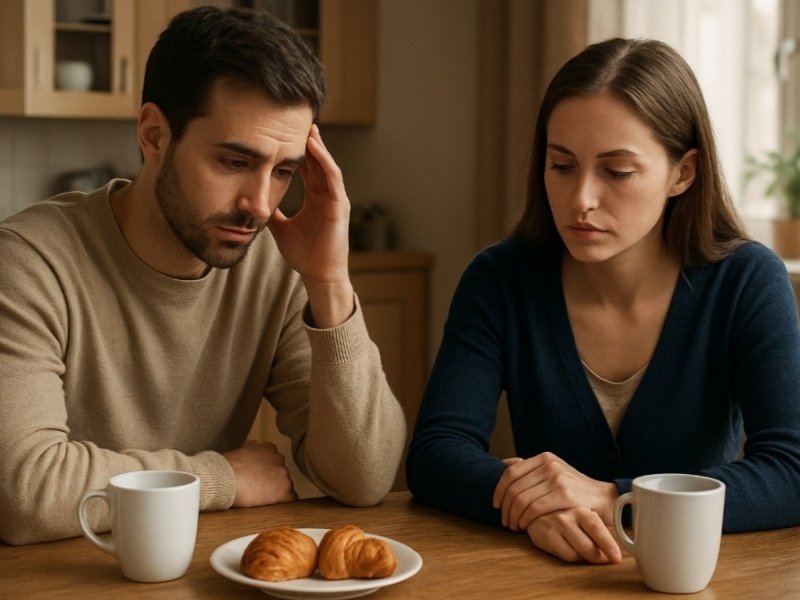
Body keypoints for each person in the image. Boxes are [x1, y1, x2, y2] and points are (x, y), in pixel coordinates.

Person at [0, 6, 406, 545]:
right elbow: (26, 493)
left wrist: (329, 283)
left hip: (197, 569)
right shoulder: (30, 262)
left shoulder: (277, 269)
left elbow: (365, 478)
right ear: (153, 135)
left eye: (283, 171)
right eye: (234, 162)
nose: (259, 206)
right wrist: (223, 478)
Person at [406, 37, 800, 565]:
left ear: (682, 173)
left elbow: (791, 470)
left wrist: (615, 497)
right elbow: (437, 454)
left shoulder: (746, 281)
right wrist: (538, 508)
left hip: (698, 582)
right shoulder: (500, 279)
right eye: (562, 166)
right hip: (539, 578)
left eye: (616, 172)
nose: (581, 199)